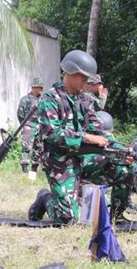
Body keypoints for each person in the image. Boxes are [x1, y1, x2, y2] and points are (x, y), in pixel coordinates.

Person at [28, 50, 108, 225]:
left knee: (121, 166)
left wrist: (120, 148)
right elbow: (52, 134)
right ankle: (45, 198)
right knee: (67, 219)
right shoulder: (50, 98)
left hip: (84, 159)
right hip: (60, 162)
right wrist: (85, 137)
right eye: (83, 78)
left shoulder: (84, 99)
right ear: (71, 73)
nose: (86, 83)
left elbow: (98, 129)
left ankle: (115, 212)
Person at [79, 111, 136, 223]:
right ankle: (45, 197)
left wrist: (129, 162)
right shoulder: (81, 139)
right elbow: (85, 165)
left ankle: (116, 215)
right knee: (68, 218)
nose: (103, 138)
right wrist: (107, 158)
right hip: (78, 180)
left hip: (96, 180)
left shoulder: (110, 140)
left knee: (125, 171)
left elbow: (121, 154)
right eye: (98, 134)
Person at [17, 77, 44, 173]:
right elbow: (20, 114)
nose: (41, 89)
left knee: (39, 147)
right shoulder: (26, 99)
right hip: (29, 124)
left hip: (40, 126)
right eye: (39, 87)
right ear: (34, 88)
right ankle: (24, 169)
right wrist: (26, 124)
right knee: (27, 146)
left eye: (42, 87)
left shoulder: (43, 100)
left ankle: (34, 170)